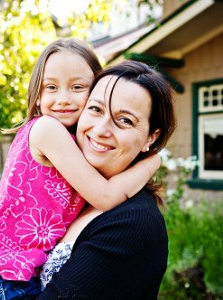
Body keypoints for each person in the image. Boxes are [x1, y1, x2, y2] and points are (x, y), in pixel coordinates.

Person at [0, 40, 160, 300]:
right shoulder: (47, 130)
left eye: (77, 87)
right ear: (37, 96)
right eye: (51, 87)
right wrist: (154, 162)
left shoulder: (72, 142)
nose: (63, 99)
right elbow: (106, 196)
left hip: (5, 273)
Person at [36, 60, 176, 299]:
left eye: (125, 120)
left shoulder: (134, 225)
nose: (101, 130)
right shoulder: (64, 192)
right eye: (96, 109)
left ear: (150, 138)